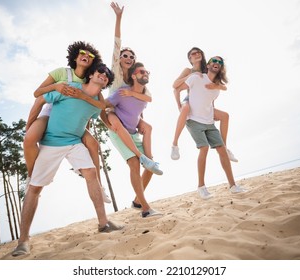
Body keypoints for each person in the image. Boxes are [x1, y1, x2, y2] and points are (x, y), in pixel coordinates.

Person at [12, 64, 123, 257]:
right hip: (51, 143)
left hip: (74, 142)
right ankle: (23, 241)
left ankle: (104, 223)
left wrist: (112, 124)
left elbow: (100, 113)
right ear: (90, 75)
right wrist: (29, 127)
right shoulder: (69, 88)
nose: (104, 75)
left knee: (91, 173)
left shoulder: (97, 100)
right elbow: (39, 100)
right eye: (101, 72)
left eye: (107, 76)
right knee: (35, 188)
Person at [23, 41, 111, 203]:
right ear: (75, 56)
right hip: (52, 112)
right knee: (29, 138)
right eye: (83, 53)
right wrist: (56, 86)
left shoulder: (92, 79)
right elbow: (37, 94)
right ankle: (31, 177)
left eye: (90, 56)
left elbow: (100, 104)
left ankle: (99, 185)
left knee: (93, 144)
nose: (86, 56)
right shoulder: (61, 73)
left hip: (75, 122)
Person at [174, 56, 247, 200]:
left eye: (220, 62)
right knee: (204, 148)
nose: (217, 63)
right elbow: (176, 89)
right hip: (193, 120)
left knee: (222, 150)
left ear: (221, 68)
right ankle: (201, 187)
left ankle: (233, 186)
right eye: (214, 61)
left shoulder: (218, 86)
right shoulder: (197, 78)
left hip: (208, 121)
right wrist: (179, 107)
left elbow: (209, 102)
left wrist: (219, 86)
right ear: (207, 65)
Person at [107, 2, 162, 176]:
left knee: (148, 127)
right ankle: (141, 157)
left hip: (129, 114)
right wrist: (118, 18)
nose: (128, 58)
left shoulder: (134, 78)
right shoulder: (115, 71)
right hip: (113, 109)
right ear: (119, 58)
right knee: (132, 159)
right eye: (125, 55)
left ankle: (149, 158)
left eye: (131, 56)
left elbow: (144, 98)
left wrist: (132, 95)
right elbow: (117, 44)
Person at [102, 62, 162, 217]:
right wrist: (108, 123)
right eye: (141, 71)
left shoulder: (144, 96)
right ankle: (145, 209)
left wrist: (141, 122)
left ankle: (137, 201)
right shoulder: (122, 92)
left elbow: (139, 110)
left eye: (147, 71)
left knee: (150, 169)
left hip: (134, 132)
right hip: (119, 132)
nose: (145, 74)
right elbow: (102, 106)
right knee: (134, 164)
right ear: (134, 75)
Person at [171, 47, 238, 163]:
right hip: (189, 99)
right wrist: (179, 106)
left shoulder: (207, 69)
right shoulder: (188, 70)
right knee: (185, 108)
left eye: (199, 52)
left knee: (225, 116)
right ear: (190, 58)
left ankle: (225, 148)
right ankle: (175, 144)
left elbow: (222, 87)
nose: (197, 54)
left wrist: (216, 87)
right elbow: (175, 86)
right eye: (194, 53)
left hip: (204, 104)